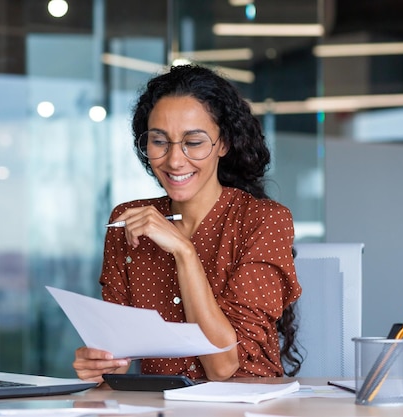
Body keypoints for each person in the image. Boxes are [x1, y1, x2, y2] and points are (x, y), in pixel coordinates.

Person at [73, 64, 303, 383]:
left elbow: (222, 367)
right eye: (159, 142)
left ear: (222, 144)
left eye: (193, 142)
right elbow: (116, 353)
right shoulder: (129, 220)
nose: (174, 160)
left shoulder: (264, 220)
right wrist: (100, 366)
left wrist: (184, 251)